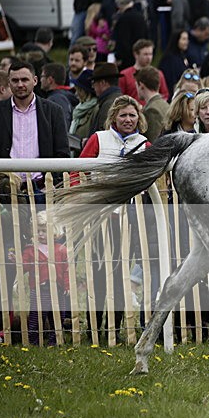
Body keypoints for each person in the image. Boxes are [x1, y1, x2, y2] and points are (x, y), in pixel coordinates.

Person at [78, 94, 151, 340]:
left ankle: (115, 327)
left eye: (132, 115)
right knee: (98, 272)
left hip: (129, 216)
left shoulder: (144, 144)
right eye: (123, 115)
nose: (128, 119)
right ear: (114, 117)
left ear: (138, 117)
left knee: (122, 273)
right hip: (100, 215)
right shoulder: (99, 139)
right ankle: (93, 328)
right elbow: (78, 170)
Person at [0, 61, 70, 203]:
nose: (20, 84)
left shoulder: (53, 111)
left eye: (24, 79)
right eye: (15, 80)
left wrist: (54, 185)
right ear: (9, 83)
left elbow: (62, 152)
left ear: (35, 81)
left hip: (43, 189)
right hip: (4, 191)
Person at [12, 211, 70, 346]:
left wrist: (67, 286)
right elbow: (25, 267)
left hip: (58, 289)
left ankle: (54, 341)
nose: (41, 234)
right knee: (37, 317)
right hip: (39, 289)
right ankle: (34, 342)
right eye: (38, 231)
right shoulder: (30, 250)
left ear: (54, 231)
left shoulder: (61, 249)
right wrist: (17, 261)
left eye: (44, 231)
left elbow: (66, 269)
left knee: (58, 316)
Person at [119, 39, 170, 105]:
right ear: (136, 54)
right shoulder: (124, 75)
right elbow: (120, 98)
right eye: (145, 54)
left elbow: (165, 96)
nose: (149, 58)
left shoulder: (158, 74)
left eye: (150, 54)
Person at [112, 0, 148, 69]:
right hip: (140, 54)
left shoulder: (123, 19)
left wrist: (118, 57)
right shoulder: (141, 17)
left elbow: (122, 41)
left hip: (127, 60)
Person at [135, 66, 170, 142]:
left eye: (136, 86)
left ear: (141, 86)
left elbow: (153, 143)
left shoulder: (152, 110)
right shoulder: (166, 105)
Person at [88, 62, 123, 136]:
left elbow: (103, 136)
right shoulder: (119, 99)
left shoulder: (108, 104)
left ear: (103, 83)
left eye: (94, 82)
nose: (93, 87)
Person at [40, 63, 78, 130]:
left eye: (42, 76)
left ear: (50, 80)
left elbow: (62, 127)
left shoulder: (56, 99)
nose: (40, 80)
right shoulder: (66, 95)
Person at [69, 69, 97, 147]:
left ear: (86, 92)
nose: (76, 94)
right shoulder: (79, 109)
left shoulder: (95, 109)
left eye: (79, 90)